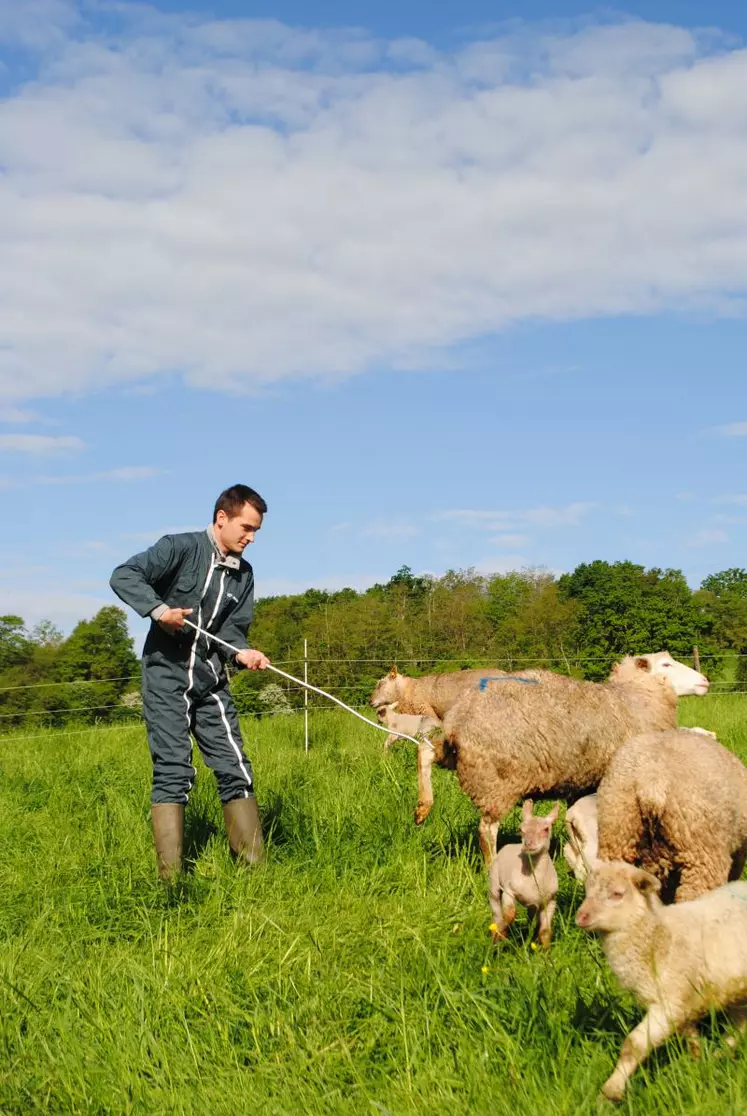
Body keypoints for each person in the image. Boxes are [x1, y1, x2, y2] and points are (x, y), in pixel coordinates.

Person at [110, 483, 270, 880]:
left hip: (210, 681)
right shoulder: (179, 547)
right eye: (246, 528)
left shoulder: (244, 575)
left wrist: (242, 652)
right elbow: (124, 575)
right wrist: (159, 610)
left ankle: (255, 873)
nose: (250, 538)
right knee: (174, 770)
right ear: (222, 518)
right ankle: (171, 883)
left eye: (256, 532)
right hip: (166, 676)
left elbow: (233, 631)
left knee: (235, 766)